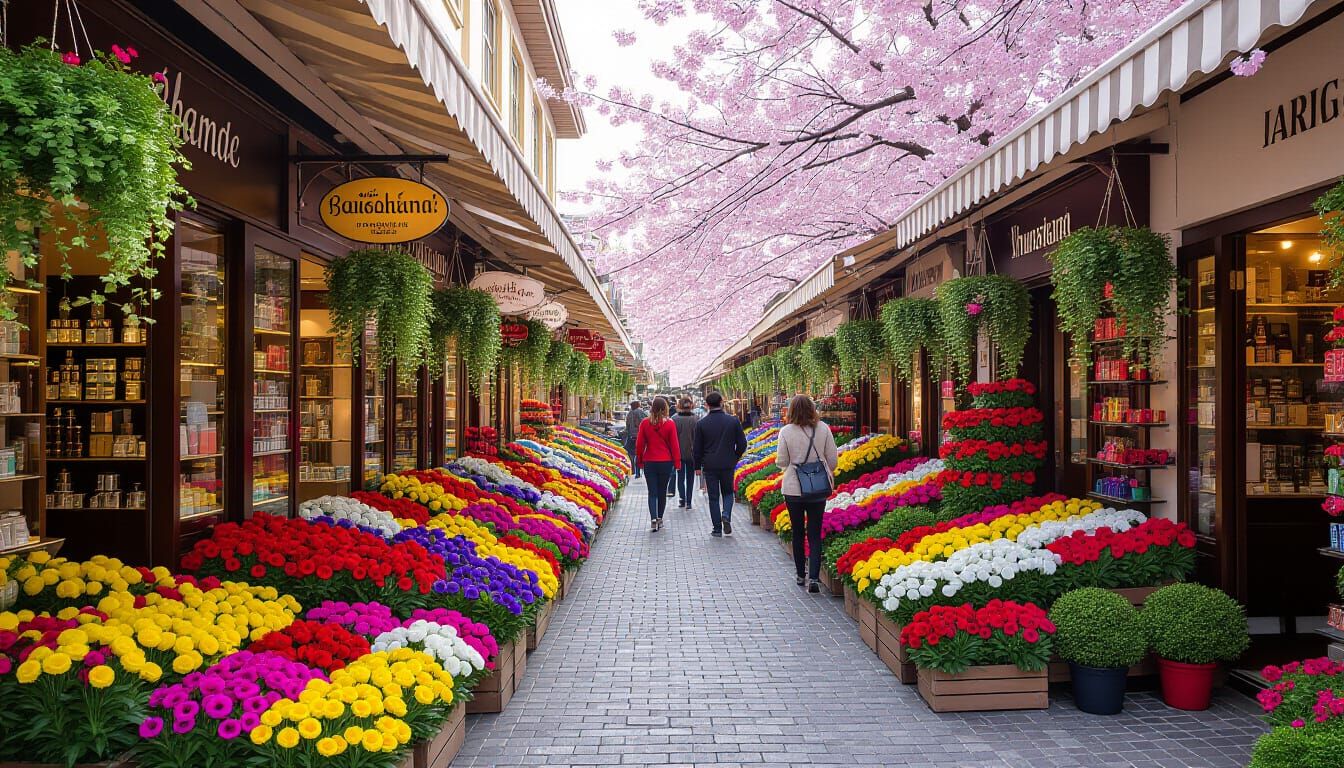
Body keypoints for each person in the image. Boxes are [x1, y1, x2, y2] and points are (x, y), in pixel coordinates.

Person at [775, 394, 838, 592]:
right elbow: (832, 459)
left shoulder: (786, 431)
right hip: (818, 487)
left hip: (794, 487)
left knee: (797, 531)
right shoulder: (823, 428)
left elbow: (782, 461)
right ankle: (814, 578)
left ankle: (800, 575)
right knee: (814, 532)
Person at [692, 391, 748, 537]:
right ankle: (727, 515)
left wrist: (697, 466)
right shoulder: (733, 421)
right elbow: (742, 443)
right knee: (728, 492)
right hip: (727, 463)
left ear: (707, 405)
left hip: (709, 465)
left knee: (713, 497)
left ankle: (717, 528)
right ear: (722, 402)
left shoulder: (701, 424)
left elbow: (697, 448)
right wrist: (735, 457)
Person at [635, 396, 679, 532]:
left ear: (652, 408)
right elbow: (674, 445)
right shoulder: (670, 424)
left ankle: (653, 518)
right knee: (662, 492)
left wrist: (640, 460)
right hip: (666, 462)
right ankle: (660, 518)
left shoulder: (645, 423)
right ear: (665, 408)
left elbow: (639, 444)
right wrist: (677, 463)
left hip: (650, 461)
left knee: (652, 492)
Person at [671, 398, 699, 510]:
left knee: (680, 477)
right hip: (692, 454)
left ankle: (682, 499)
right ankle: (689, 501)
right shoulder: (696, 419)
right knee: (690, 478)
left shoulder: (674, 419)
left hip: (678, 454)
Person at [624, 401, 647, 478]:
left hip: (631, 436)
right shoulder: (641, 412)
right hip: (640, 436)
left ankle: (633, 470)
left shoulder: (629, 414)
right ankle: (638, 472)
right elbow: (646, 422)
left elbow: (627, 425)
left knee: (631, 454)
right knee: (639, 454)